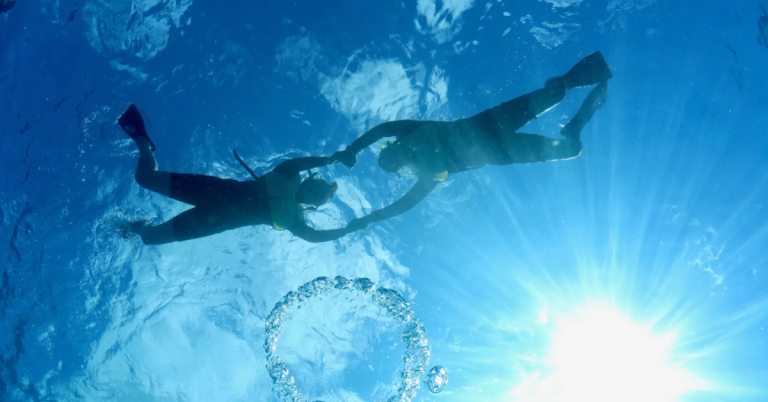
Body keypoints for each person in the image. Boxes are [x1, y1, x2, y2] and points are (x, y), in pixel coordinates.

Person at [331, 51, 613, 232]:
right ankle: (573, 127)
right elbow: (404, 201)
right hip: (501, 142)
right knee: (568, 138)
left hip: (495, 126)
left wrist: (354, 150)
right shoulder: (426, 170)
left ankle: (577, 100)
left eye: (392, 150)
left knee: (557, 102)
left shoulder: (418, 142)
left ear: (396, 146)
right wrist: (371, 215)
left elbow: (383, 132)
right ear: (402, 164)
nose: (399, 153)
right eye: (396, 159)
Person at [118, 104, 353, 244]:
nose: (314, 192)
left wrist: (344, 231)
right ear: (312, 180)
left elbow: (313, 237)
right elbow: (298, 162)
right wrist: (331, 159)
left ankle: (136, 227)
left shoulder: (296, 219)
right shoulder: (289, 177)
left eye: (319, 196)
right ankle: (143, 142)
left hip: (212, 222)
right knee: (144, 178)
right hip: (213, 191)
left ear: (313, 202)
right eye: (318, 187)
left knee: (150, 239)